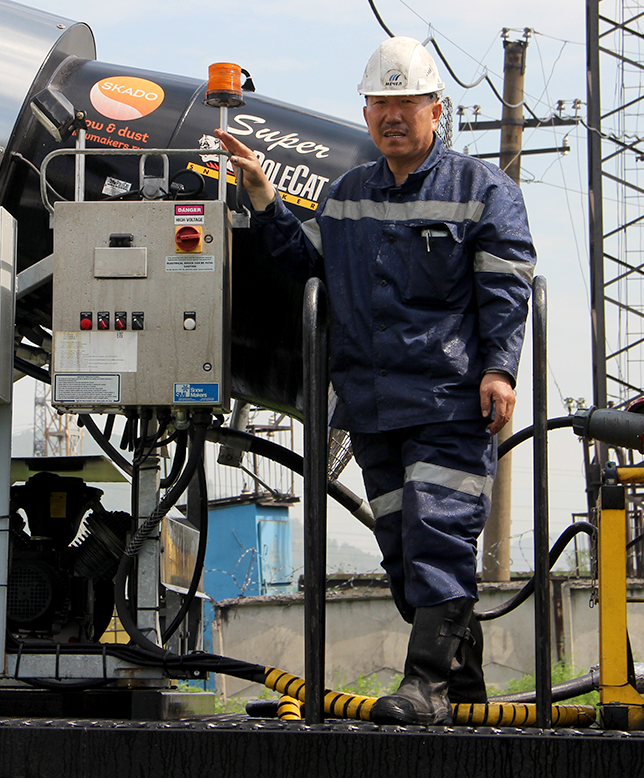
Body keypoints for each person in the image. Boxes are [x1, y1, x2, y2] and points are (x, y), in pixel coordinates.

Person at [215, 36, 535, 726]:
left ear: (435, 109)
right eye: (380, 103)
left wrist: (499, 369)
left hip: (448, 400)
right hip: (371, 404)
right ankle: (466, 692)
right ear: (366, 114)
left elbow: (507, 288)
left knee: (438, 535)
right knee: (401, 555)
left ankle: (426, 685)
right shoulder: (346, 195)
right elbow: (306, 263)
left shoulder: (482, 191)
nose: (393, 116)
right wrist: (265, 200)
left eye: (406, 103)